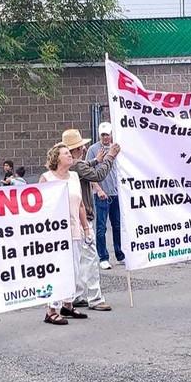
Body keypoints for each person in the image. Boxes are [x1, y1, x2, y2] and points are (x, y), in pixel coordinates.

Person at [62, 129, 119, 311]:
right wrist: (110, 157)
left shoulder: (66, 166)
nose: (84, 147)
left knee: (77, 260)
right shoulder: (76, 166)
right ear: (75, 150)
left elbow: (85, 167)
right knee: (90, 259)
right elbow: (97, 175)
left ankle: (77, 295)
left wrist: (97, 160)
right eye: (81, 146)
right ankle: (95, 298)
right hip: (82, 216)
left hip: (69, 218)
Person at [39, 142, 91, 324]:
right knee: (57, 269)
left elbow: (81, 204)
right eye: (66, 153)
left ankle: (67, 304)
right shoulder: (47, 178)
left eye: (70, 153)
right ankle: (51, 309)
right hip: (55, 233)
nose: (70, 155)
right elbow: (39, 206)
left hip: (74, 228)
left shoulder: (75, 177)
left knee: (74, 269)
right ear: (57, 158)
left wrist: (86, 228)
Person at [85, 122, 124, 269]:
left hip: (116, 192)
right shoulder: (93, 149)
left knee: (117, 225)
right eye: (103, 135)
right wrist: (98, 189)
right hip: (101, 193)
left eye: (107, 134)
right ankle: (103, 257)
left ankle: (120, 254)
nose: (105, 137)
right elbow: (89, 172)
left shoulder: (116, 148)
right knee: (101, 227)